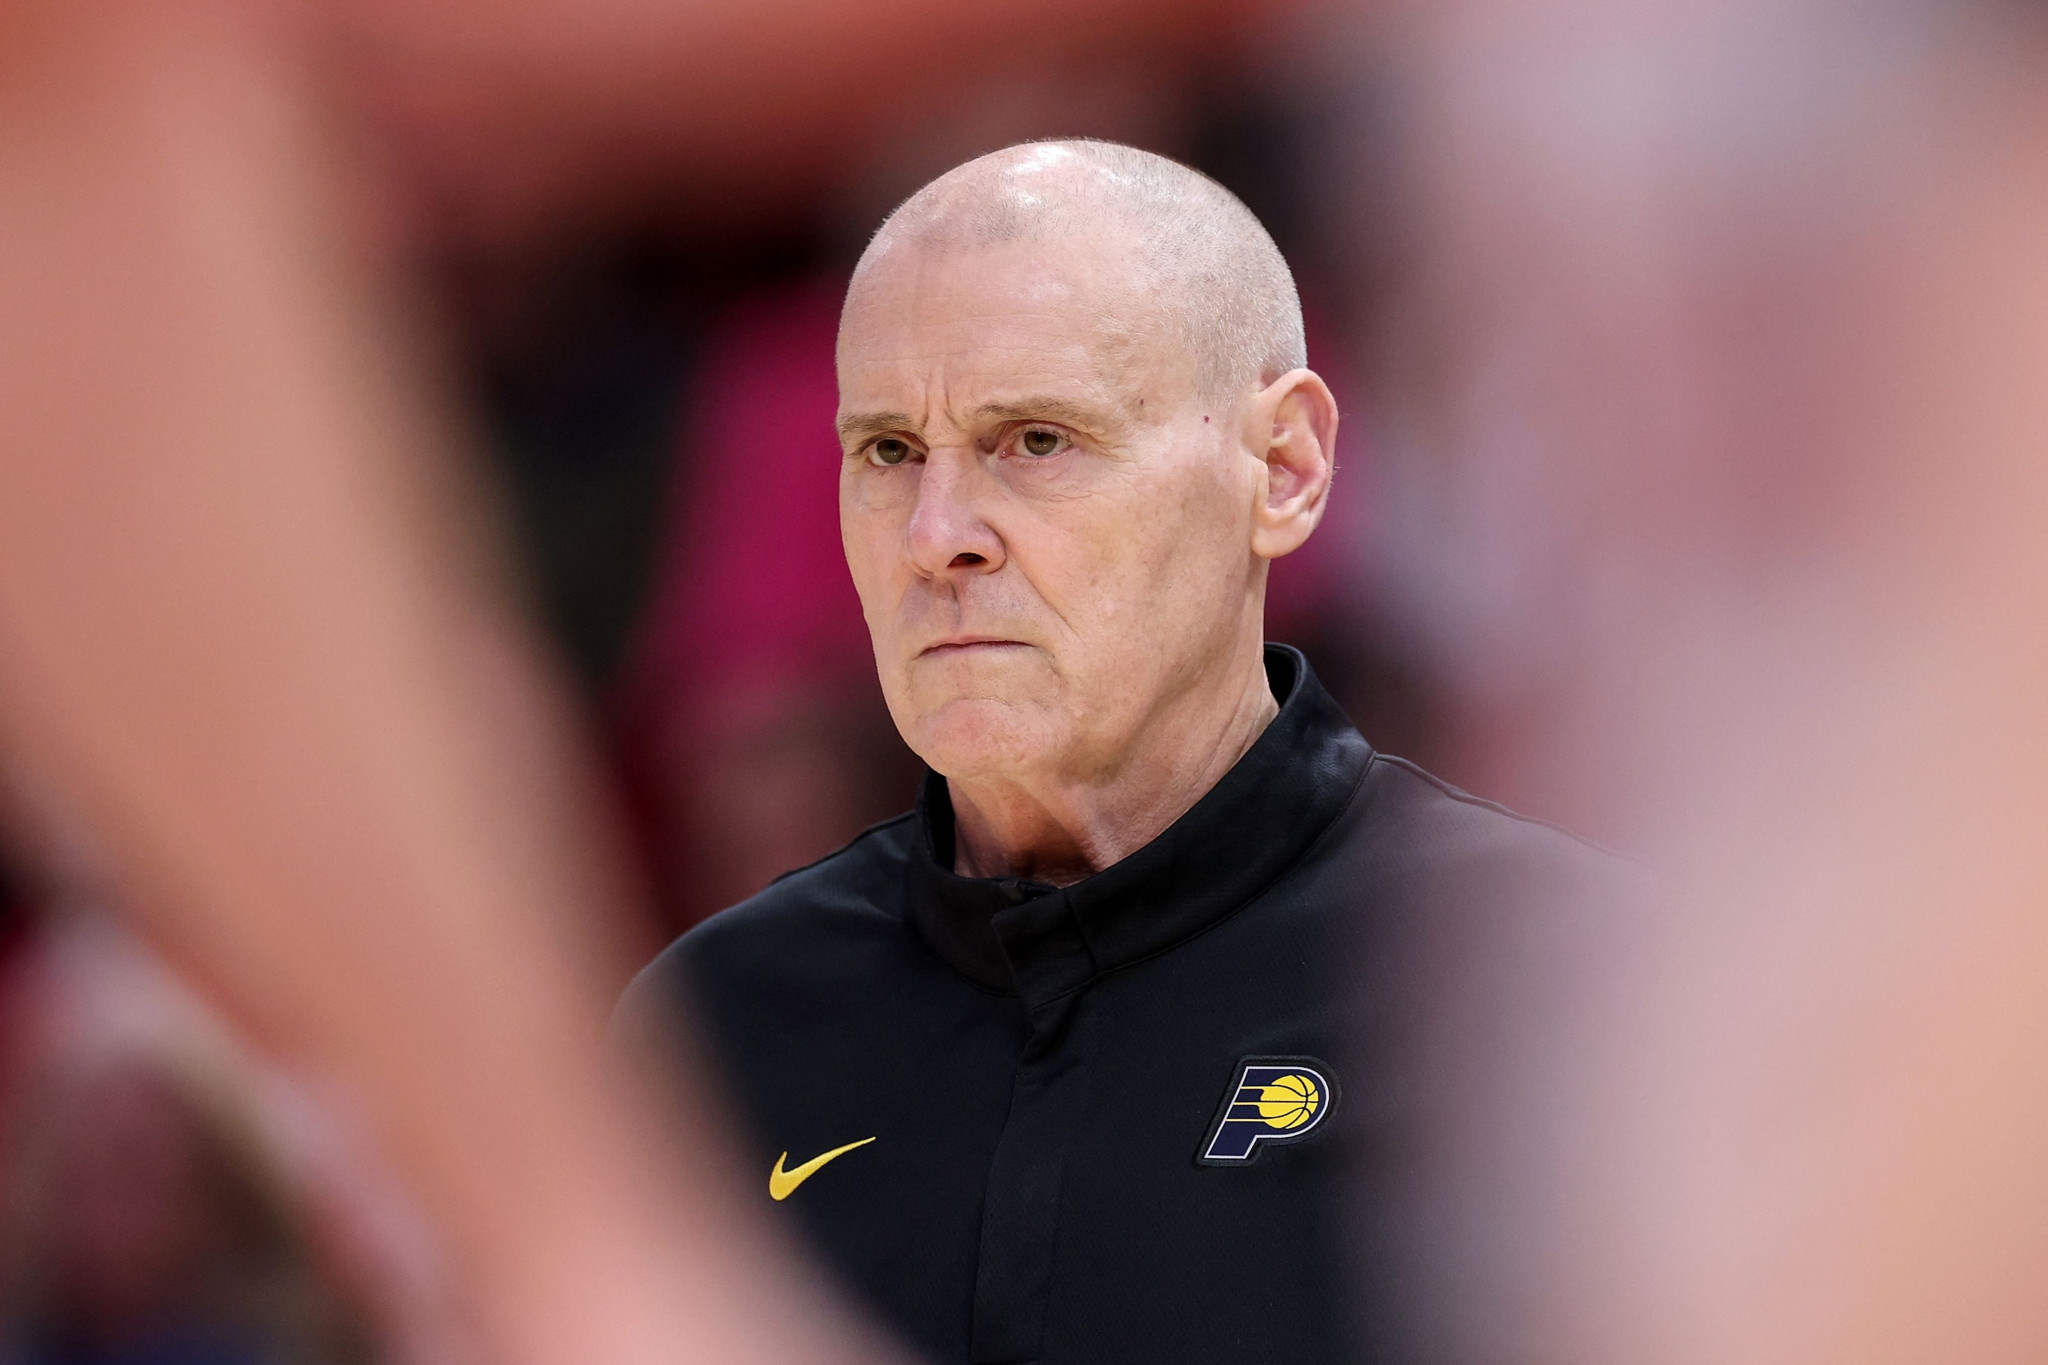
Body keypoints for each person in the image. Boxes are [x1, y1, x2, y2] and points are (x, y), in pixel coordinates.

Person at [621, 140, 1627, 1364]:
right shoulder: (707, 1030)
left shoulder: (1564, 986)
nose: (937, 538)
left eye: (1034, 441)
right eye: (886, 453)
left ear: (1282, 468)